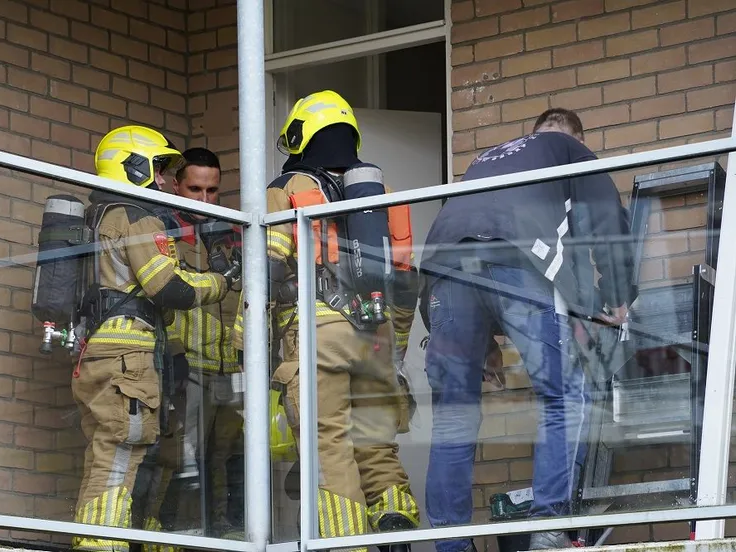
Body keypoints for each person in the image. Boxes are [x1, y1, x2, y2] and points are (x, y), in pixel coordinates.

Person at [419, 108, 636, 551]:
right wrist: (618, 298)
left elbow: (472, 242)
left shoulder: (492, 157)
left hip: (441, 267)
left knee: (453, 418)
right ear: (580, 141)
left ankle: (449, 544)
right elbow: (608, 225)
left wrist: (484, 345)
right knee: (563, 395)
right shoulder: (573, 152)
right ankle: (550, 528)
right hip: (517, 254)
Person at [234, 90, 421, 552]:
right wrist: (392, 345)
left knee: (327, 445)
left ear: (301, 136)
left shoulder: (287, 190)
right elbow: (404, 280)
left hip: (318, 334)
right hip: (374, 336)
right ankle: (396, 531)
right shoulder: (384, 195)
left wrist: (244, 342)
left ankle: (345, 543)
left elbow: (268, 271)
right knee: (377, 445)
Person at [71, 125, 230, 552]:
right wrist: (220, 282)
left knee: (106, 446)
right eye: (158, 169)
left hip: (97, 352)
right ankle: (105, 542)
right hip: (129, 356)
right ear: (134, 168)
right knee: (124, 444)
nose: (164, 180)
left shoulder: (95, 215)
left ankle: (101, 535)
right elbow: (170, 289)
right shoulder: (135, 215)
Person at [166, 147, 246, 539]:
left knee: (228, 455)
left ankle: (220, 529)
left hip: (231, 366)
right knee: (183, 455)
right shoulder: (164, 229)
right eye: (194, 189)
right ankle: (177, 531)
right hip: (189, 364)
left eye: (212, 191)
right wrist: (174, 355)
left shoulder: (234, 232)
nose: (203, 199)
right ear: (176, 185)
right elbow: (162, 299)